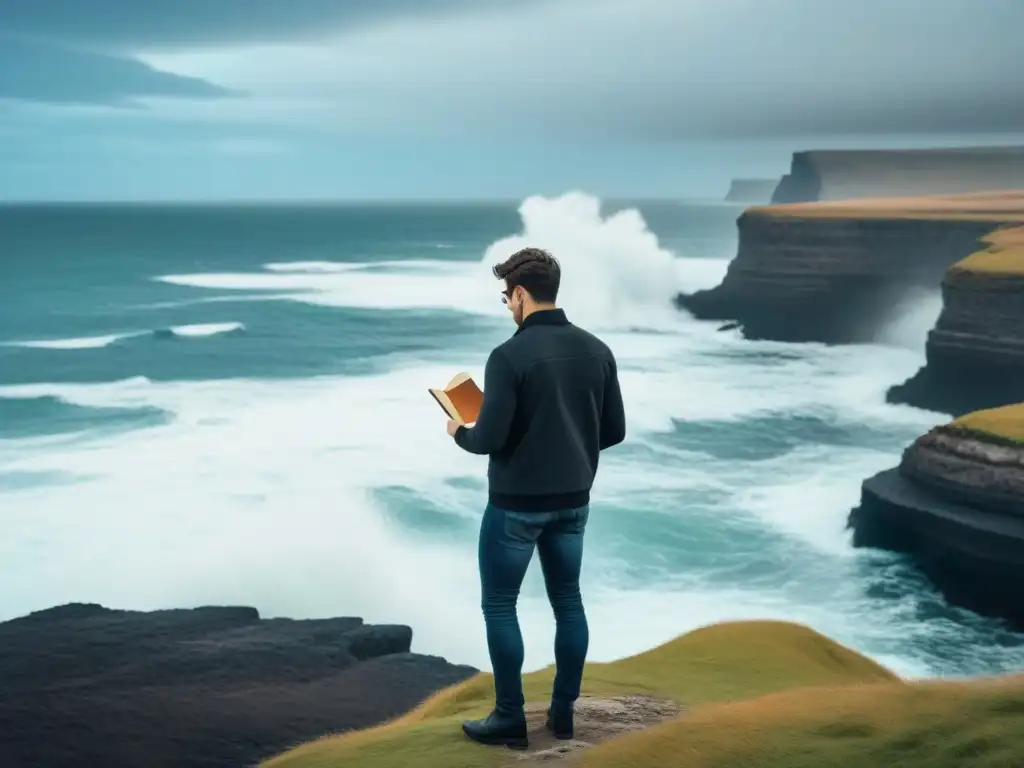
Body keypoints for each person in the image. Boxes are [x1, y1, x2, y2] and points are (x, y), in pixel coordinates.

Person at [445, 246, 626, 750]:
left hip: (515, 507)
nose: (508, 305)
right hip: (574, 503)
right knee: (568, 602)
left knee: (501, 606)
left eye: (507, 297)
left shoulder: (508, 357)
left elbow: (488, 440)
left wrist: (458, 428)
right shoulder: (597, 350)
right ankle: (563, 714)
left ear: (521, 294)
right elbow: (613, 430)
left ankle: (509, 718)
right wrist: (565, 443)